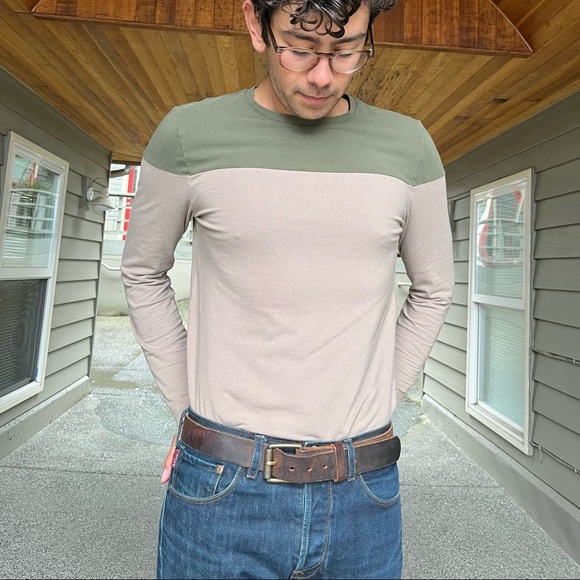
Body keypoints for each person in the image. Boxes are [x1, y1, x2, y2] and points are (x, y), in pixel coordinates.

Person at [121, 0, 454, 577]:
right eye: (299, 49)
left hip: (365, 488)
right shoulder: (187, 134)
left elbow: (434, 288)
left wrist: (383, 394)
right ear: (256, 24)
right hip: (220, 481)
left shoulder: (409, 146)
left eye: (346, 51)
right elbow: (143, 271)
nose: (323, 75)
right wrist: (187, 408)